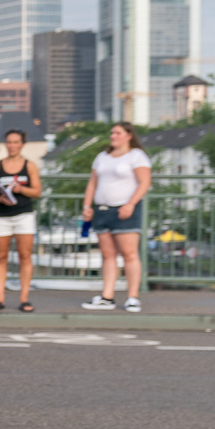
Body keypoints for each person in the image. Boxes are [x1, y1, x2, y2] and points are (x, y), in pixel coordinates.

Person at [81, 122, 152, 312]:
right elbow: (92, 183)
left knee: (129, 254)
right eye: (112, 133)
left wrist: (131, 204)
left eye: (118, 133)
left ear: (128, 135)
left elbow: (144, 182)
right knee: (108, 255)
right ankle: (107, 295)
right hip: (103, 210)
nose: (113, 136)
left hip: (124, 210)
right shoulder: (102, 157)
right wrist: (87, 206)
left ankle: (133, 296)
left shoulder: (136, 156)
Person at [0, 128, 42, 311]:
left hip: (23, 215)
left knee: (25, 256)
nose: (12, 146)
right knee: (1, 257)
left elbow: (37, 191)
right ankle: (0, 297)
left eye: (16, 142)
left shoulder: (29, 166)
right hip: (1, 216)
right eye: (9, 142)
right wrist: (1, 197)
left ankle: (24, 298)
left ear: (22, 144)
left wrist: (20, 190)